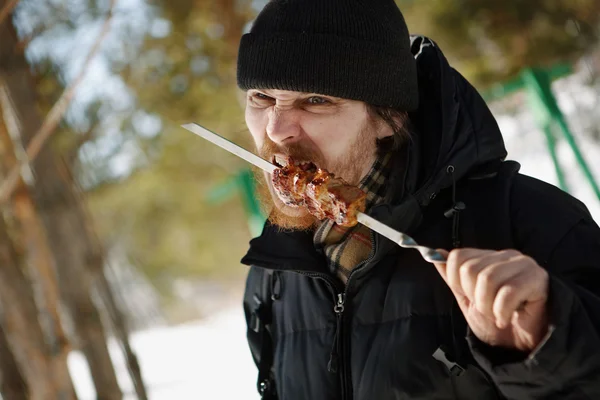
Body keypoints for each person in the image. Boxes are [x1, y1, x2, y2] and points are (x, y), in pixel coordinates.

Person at [236, 1, 600, 399]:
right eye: (261, 97)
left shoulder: (534, 221)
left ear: (388, 117)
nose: (276, 128)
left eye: (315, 100)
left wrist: (542, 351)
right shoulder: (271, 273)